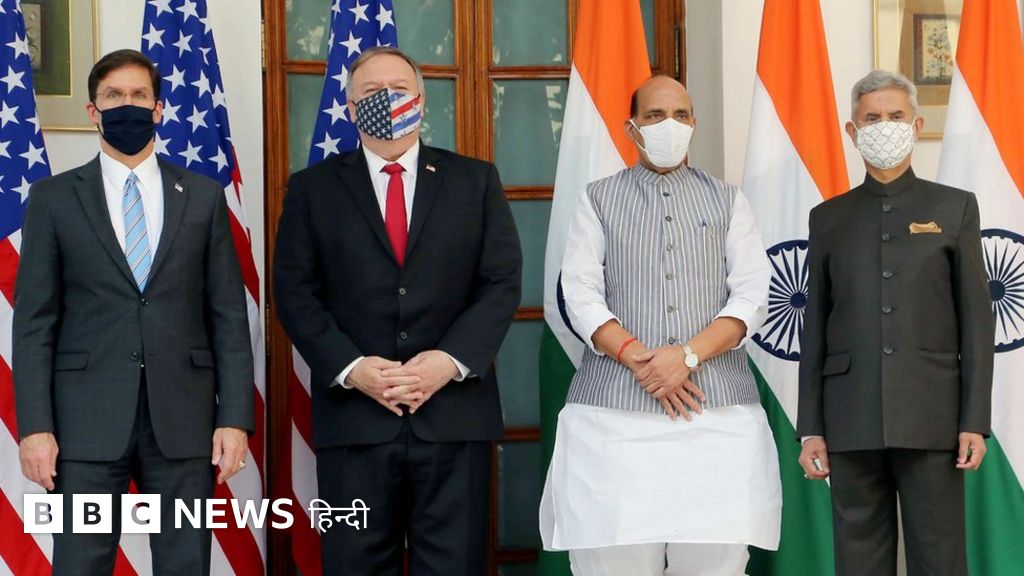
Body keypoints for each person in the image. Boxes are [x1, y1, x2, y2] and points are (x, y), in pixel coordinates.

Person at [273, 46, 522, 575]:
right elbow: (295, 293)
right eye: (371, 92)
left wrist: (448, 362)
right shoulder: (312, 189)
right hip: (354, 421)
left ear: (422, 100)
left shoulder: (475, 181)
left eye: (400, 89)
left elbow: (501, 284)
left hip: (454, 417)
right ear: (349, 108)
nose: (386, 99)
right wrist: (353, 368)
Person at [13, 49, 253, 575]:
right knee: (80, 565)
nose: (128, 104)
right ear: (93, 111)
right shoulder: (53, 198)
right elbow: (33, 324)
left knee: (185, 564)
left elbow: (229, 320)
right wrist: (35, 428)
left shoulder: (203, 197)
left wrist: (234, 419)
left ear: (159, 109)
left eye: (140, 95)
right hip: (85, 423)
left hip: (184, 421)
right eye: (114, 96)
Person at [539, 75, 781, 576]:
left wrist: (686, 357)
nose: (669, 125)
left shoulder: (728, 200)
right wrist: (642, 361)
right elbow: (579, 293)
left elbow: (752, 294)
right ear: (632, 128)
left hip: (716, 418)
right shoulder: (598, 199)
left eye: (680, 115)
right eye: (654, 116)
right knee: (614, 564)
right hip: (613, 421)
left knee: (714, 565)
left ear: (694, 124)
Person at [797, 69, 994, 576]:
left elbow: (976, 323)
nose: (884, 125)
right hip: (849, 418)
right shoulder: (827, 217)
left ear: (916, 124)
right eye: (872, 118)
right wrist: (811, 429)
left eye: (895, 116)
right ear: (852, 130)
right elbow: (814, 328)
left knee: (940, 559)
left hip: (933, 417)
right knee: (858, 561)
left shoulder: (954, 207)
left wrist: (973, 421)